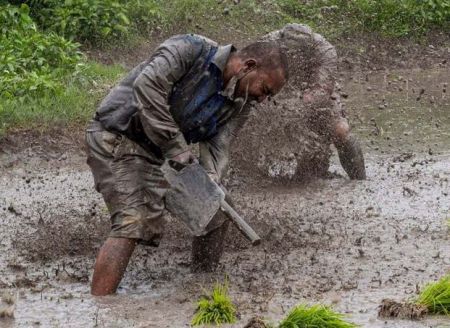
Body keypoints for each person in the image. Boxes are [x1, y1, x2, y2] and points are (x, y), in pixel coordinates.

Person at [85, 34, 288, 296]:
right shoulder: (189, 49)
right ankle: (100, 309)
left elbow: (218, 147)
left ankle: (199, 291)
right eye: (266, 90)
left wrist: (211, 178)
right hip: (118, 136)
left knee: (215, 212)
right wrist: (175, 146)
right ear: (248, 66)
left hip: (163, 154)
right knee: (133, 220)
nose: (262, 100)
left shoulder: (240, 105)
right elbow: (147, 87)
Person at [264, 24, 366, 180]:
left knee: (340, 130)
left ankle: (359, 181)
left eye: (297, 54)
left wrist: (294, 108)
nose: (293, 58)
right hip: (277, 90)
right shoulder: (268, 44)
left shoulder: (325, 51)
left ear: (307, 51)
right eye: (289, 53)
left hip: (314, 92)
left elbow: (321, 90)